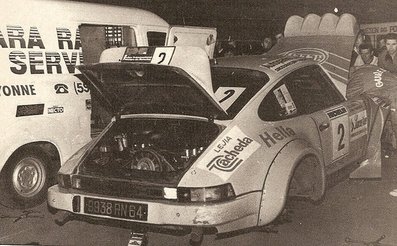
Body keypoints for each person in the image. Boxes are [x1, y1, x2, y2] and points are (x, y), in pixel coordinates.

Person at [346, 65, 397, 156]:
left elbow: (349, 98)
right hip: (386, 86)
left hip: (387, 92)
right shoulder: (369, 68)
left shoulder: (358, 77)